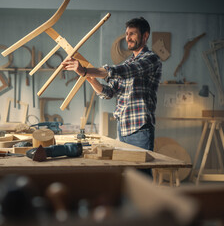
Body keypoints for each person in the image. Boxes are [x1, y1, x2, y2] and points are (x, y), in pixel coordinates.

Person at [62, 17, 162, 152]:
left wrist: (85, 71)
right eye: (127, 34)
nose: (128, 38)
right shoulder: (127, 62)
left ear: (145, 35)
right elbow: (109, 92)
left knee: (141, 171)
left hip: (140, 128)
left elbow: (127, 71)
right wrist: (91, 79)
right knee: (126, 171)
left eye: (132, 33)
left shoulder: (151, 59)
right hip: (122, 127)